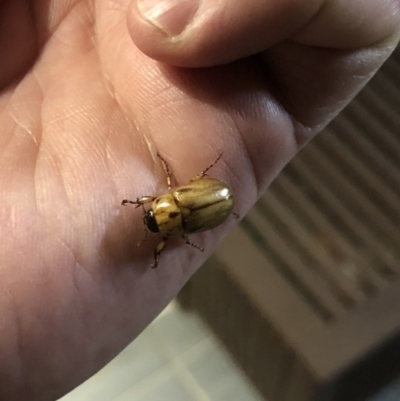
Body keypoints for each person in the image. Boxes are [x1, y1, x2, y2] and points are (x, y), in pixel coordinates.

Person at [0, 0, 399, 399]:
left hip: (215, 198)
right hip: (214, 199)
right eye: (154, 209)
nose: (152, 207)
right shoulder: (174, 210)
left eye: (152, 207)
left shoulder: (175, 215)